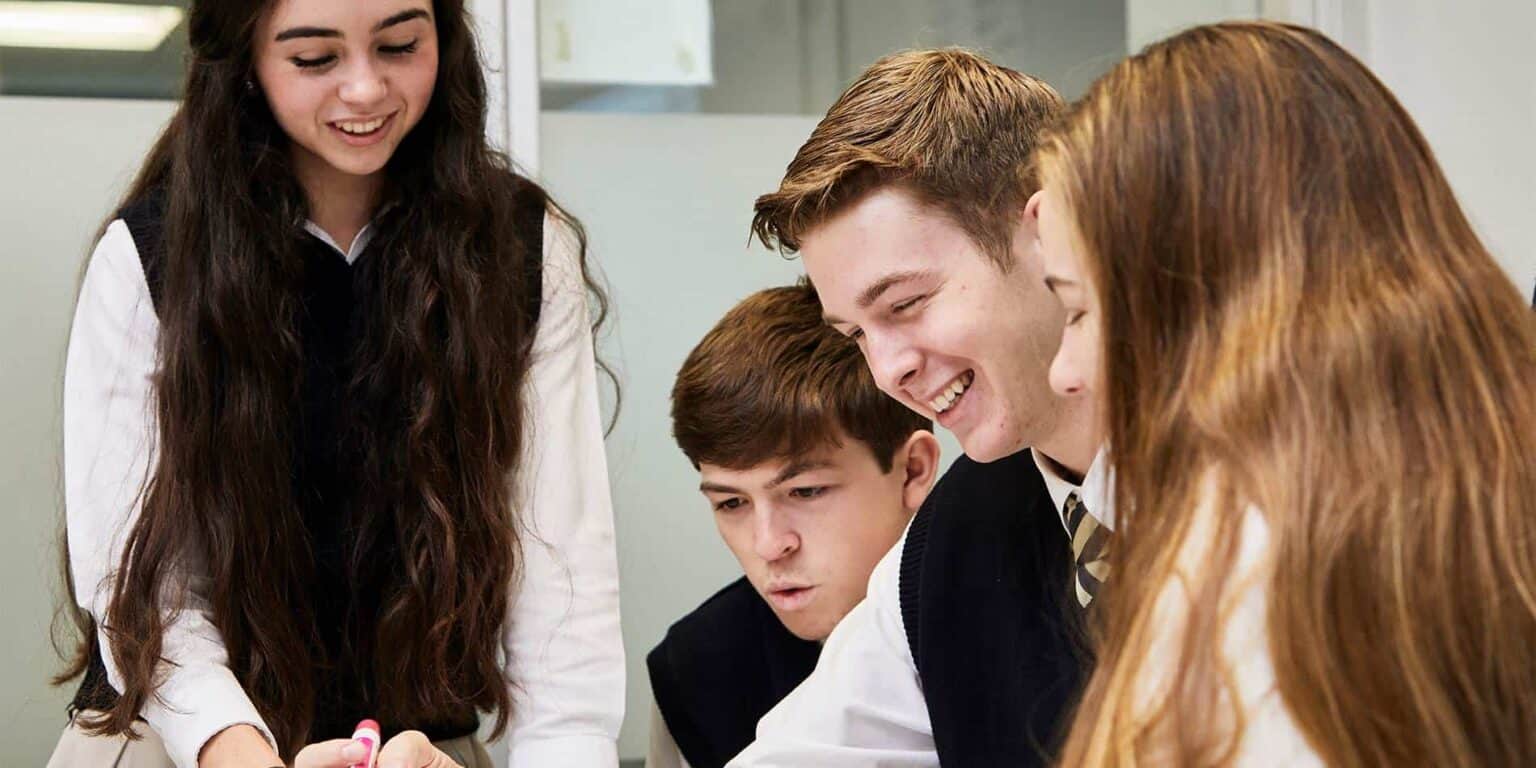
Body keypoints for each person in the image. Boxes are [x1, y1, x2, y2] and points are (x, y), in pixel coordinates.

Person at [50, 1, 623, 766]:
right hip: (178, 739)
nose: (364, 89)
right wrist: (234, 748)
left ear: (443, 40)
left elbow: (563, 590)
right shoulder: (151, 258)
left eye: (398, 44)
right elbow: (140, 586)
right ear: (244, 63)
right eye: (315, 58)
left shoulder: (518, 247)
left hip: (419, 750)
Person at [1034, 21, 1536, 766]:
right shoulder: (1476, 480)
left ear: (1200, 301)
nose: (1063, 371)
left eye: (1077, 310)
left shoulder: (1236, 573)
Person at [732, 49, 1103, 766]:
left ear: (1049, 230)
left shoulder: (1274, 481)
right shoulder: (947, 545)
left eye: (906, 304)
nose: (889, 370)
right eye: (857, 335)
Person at [646, 283, 939, 768]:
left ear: (912, 470)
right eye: (731, 503)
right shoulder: (694, 669)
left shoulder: (1018, 613)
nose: (769, 545)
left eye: (805, 492)